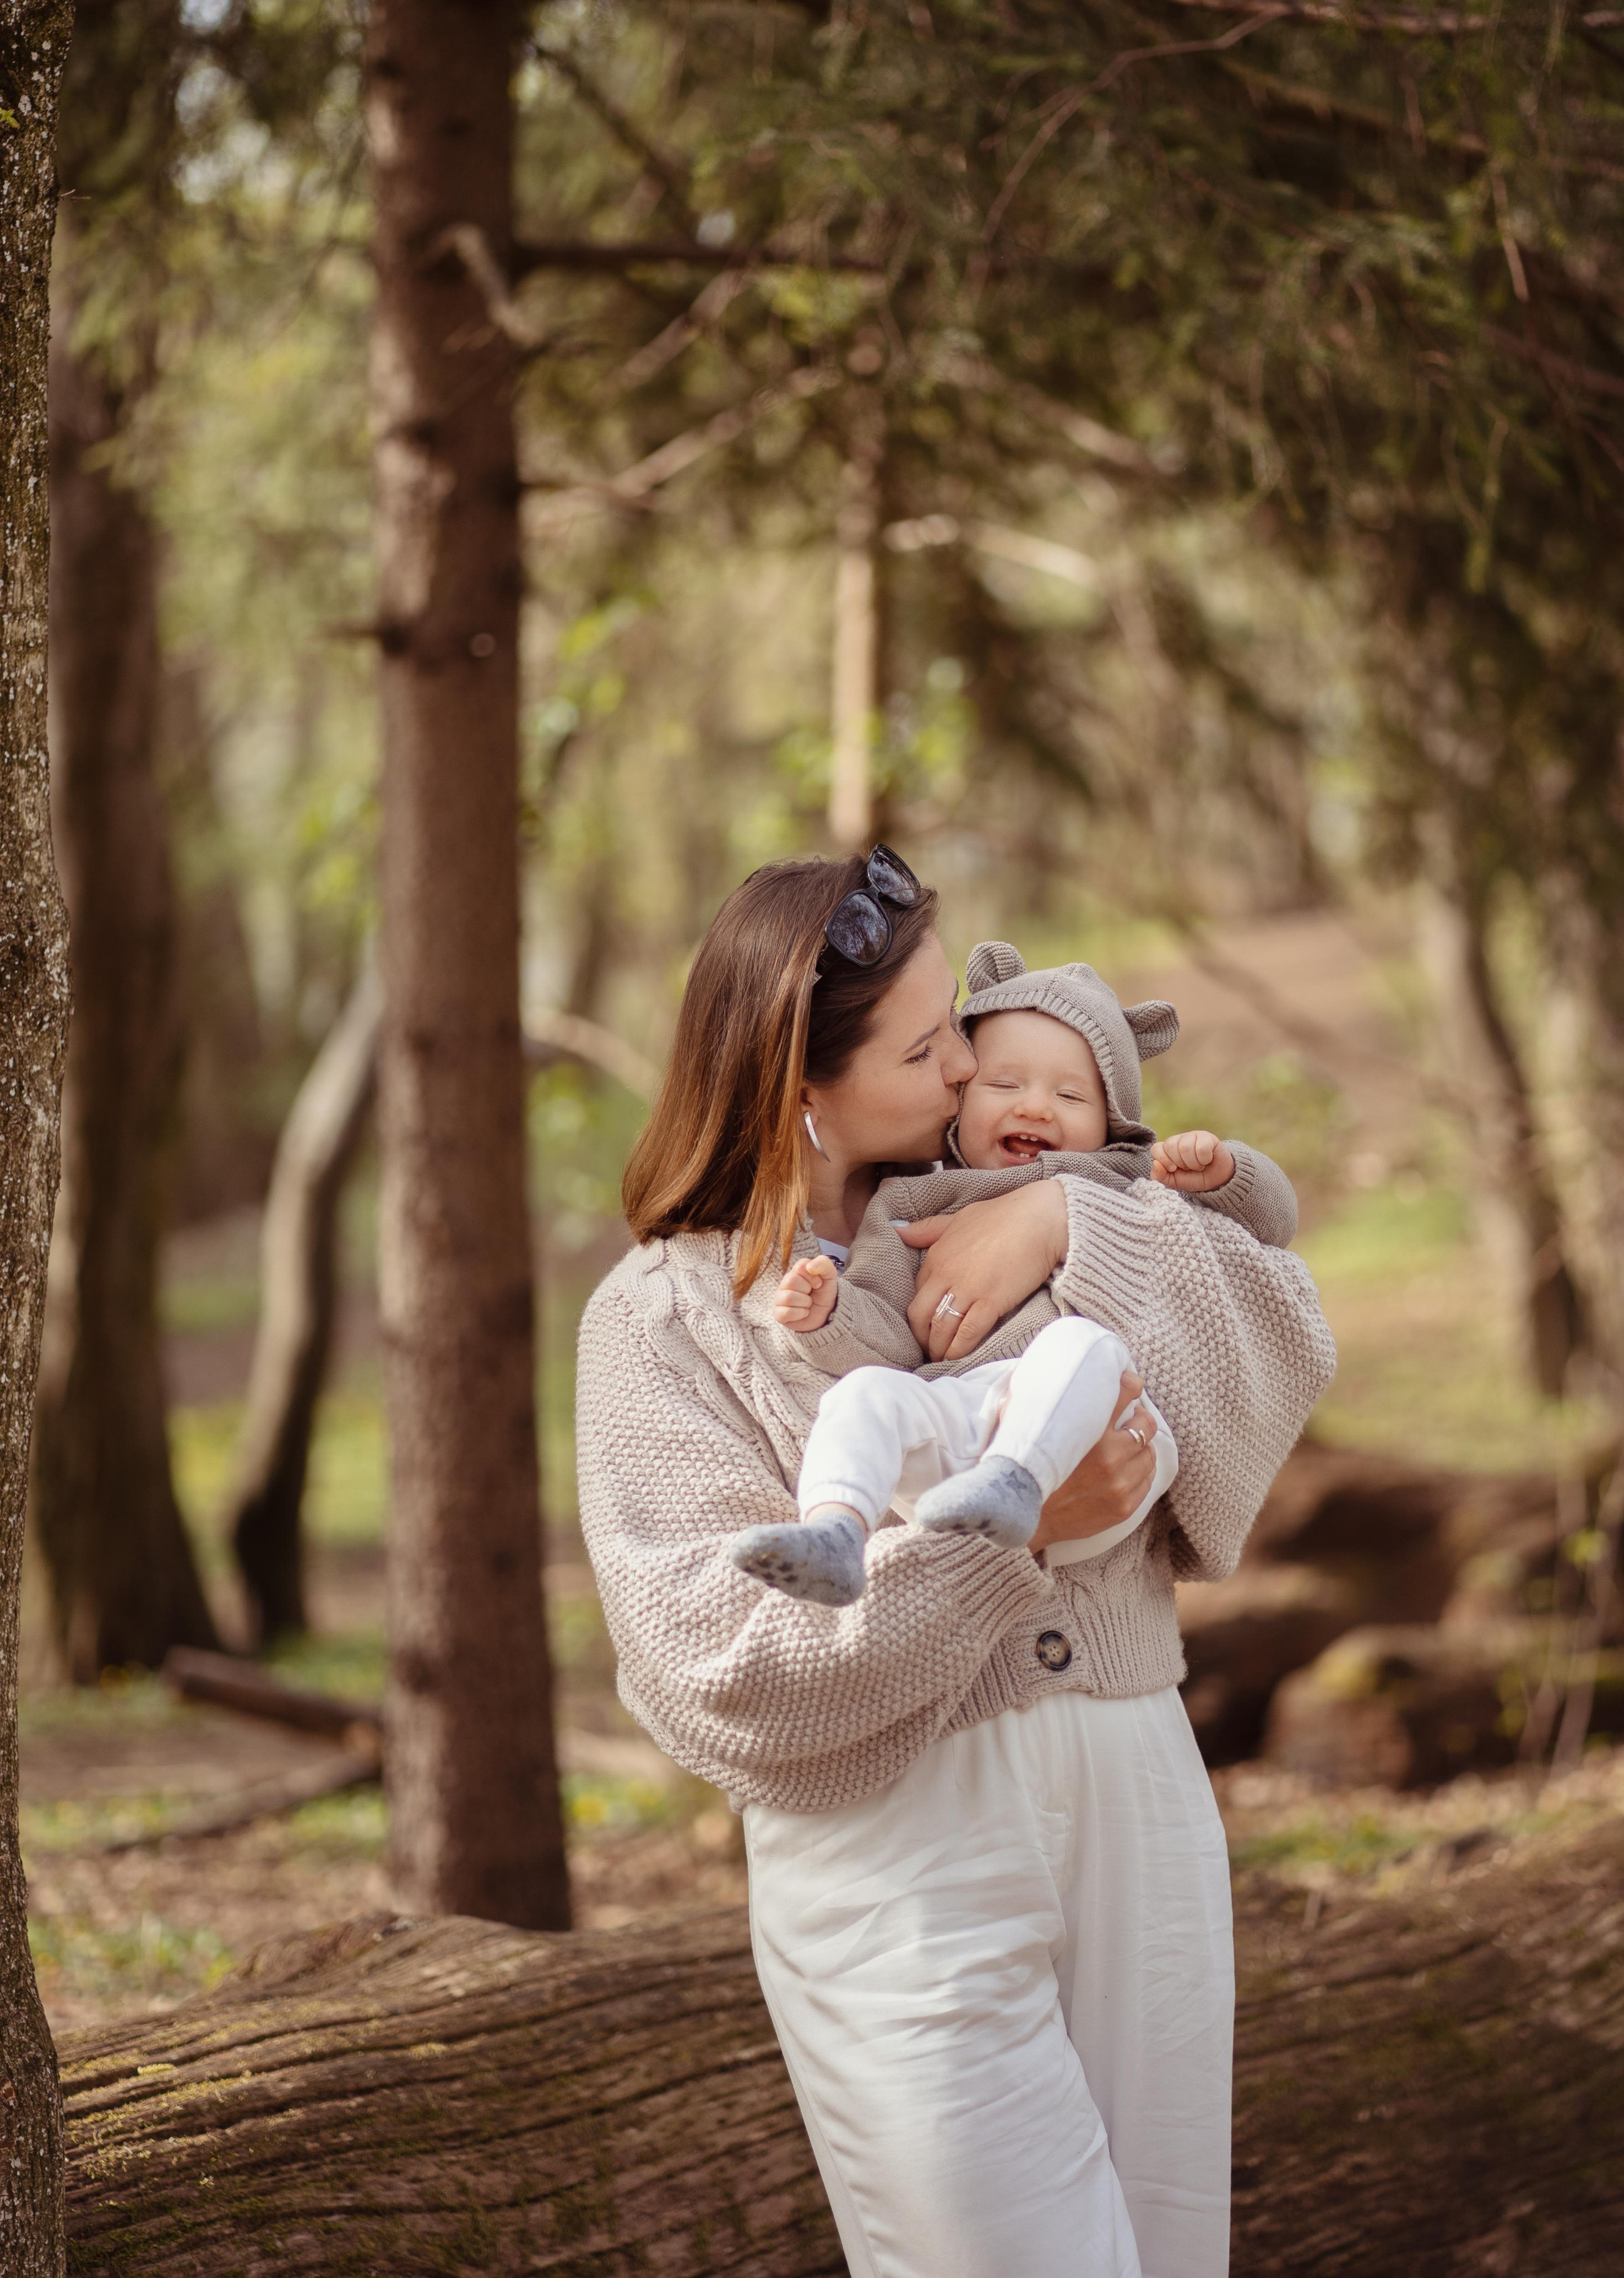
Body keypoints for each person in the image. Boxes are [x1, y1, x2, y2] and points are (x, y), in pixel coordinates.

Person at [575, 848, 1337, 2278]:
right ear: (801, 1082)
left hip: (1135, 1784)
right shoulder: (659, 1325)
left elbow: (1281, 1324)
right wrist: (1007, 1546)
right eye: (928, 1049)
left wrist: (1070, 1216)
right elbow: (716, 1670)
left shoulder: (1027, 1192)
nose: (972, 1070)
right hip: (896, 1858)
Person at [726, 939, 1301, 1604]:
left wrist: (1228, 1171)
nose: (1035, 1107)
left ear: (1112, 1125)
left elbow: (1271, 1227)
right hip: (962, 1427)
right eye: (1004, 1085)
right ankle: (834, 1531)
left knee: (1079, 1343)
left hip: (1091, 1438)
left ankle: (1017, 1479)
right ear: (961, 1102)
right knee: (863, 1395)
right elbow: (888, 1341)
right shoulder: (910, 1201)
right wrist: (831, 1317)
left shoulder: (1120, 1179)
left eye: (1070, 1095)